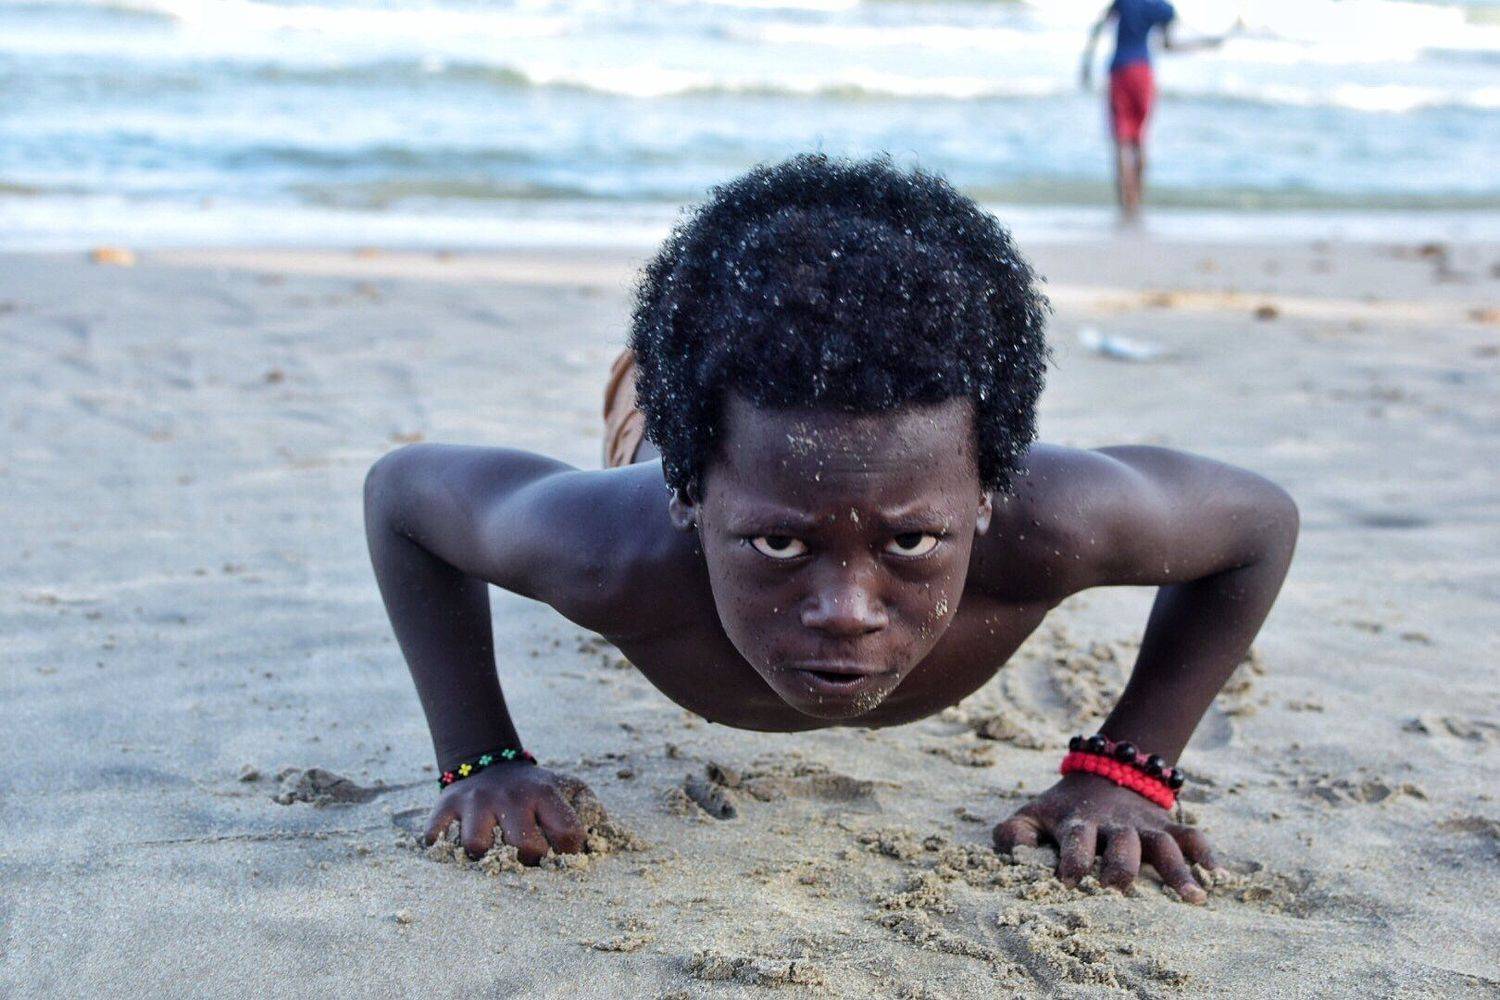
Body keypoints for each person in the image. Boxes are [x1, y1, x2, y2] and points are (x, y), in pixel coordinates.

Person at [364, 154, 1298, 902]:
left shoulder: (1052, 524)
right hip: (673, 417)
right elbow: (402, 498)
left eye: (910, 544)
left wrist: (1127, 768)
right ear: (689, 501)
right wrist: (480, 759)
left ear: (986, 496)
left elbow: (1260, 526)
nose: (846, 611)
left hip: (866, 450)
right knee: (665, 394)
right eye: (780, 546)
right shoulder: (605, 550)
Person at [1081, 1, 1228, 221]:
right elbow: (1169, 46)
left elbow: (1100, 26)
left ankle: (1124, 204)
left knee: (1121, 142)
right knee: (1139, 140)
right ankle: (1137, 203)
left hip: (1120, 70)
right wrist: (1205, 45)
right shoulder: (1163, 8)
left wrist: (1087, 60)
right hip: (1144, 73)